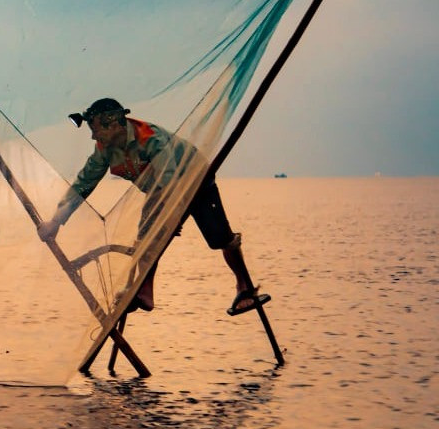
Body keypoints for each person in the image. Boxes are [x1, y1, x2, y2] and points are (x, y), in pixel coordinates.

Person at [36, 97, 268, 316]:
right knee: (146, 236)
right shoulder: (104, 148)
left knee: (219, 238)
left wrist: (171, 216)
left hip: (195, 181)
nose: (94, 136)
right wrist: (56, 221)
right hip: (159, 190)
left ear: (115, 124)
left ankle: (244, 286)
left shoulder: (149, 137)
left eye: (97, 129)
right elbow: (84, 182)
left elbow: (168, 179)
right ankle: (145, 292)